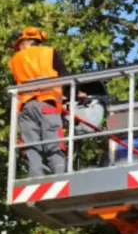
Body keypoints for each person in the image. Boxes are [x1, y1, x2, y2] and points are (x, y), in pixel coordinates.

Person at [8, 26, 84, 177]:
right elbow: (64, 76)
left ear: (26, 42)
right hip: (46, 102)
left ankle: (36, 173)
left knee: (30, 142)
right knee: (53, 137)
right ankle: (59, 171)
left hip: (25, 106)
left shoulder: (15, 60)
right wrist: (76, 94)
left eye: (20, 45)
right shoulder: (49, 52)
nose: (20, 48)